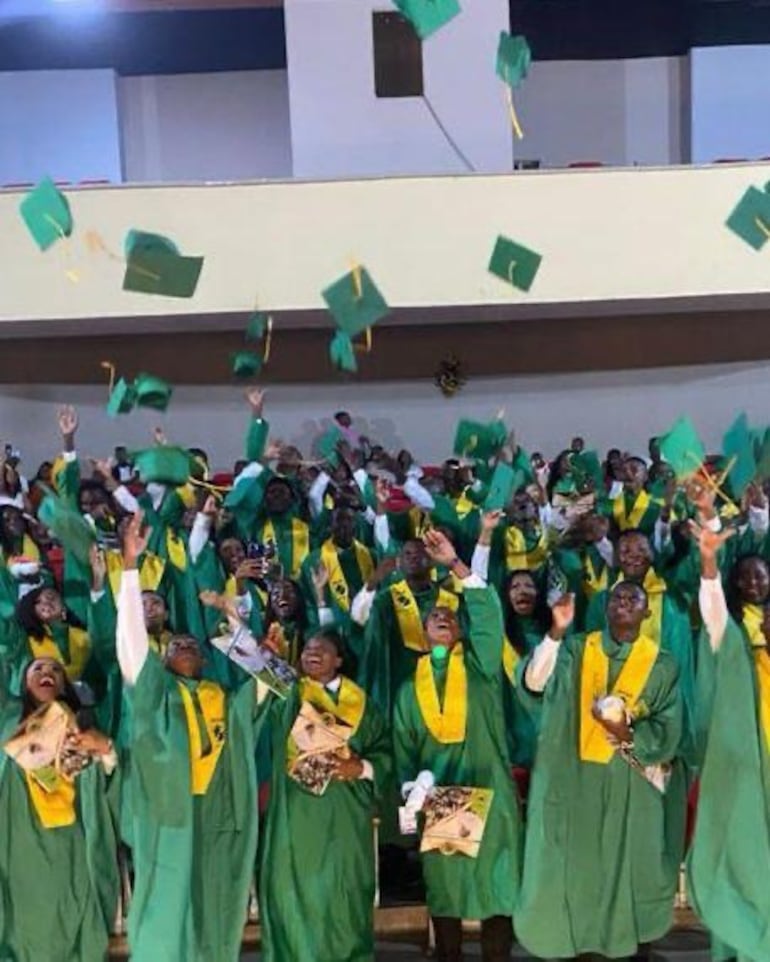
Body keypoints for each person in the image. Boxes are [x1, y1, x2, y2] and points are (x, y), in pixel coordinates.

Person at [116, 510, 267, 962]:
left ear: (205, 660)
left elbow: (267, 679)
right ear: (162, 660)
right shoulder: (154, 693)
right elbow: (131, 646)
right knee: (166, 909)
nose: (184, 646)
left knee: (214, 909)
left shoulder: (224, 697)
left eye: (193, 645)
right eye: (176, 645)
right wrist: (129, 567)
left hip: (220, 813)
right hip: (170, 812)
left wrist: (232, 617)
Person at [515, 581, 686, 959]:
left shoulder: (663, 665)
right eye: (617, 597)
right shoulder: (576, 648)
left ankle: (625, 945)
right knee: (572, 871)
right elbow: (535, 685)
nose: (624, 602)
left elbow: (670, 729)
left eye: (634, 598)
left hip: (630, 785)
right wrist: (556, 631)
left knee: (627, 870)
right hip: (571, 781)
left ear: (647, 612)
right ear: (606, 608)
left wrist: (629, 735)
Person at [393, 530, 520, 962]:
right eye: (434, 616)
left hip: (490, 790)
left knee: (497, 884)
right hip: (441, 796)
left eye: (450, 616)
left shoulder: (482, 666)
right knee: (446, 889)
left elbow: (489, 617)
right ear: (423, 630)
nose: (443, 618)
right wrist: (411, 792)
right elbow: (405, 748)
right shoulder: (410, 688)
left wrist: (455, 565)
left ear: (462, 629)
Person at [258, 628, 391, 962]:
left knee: (344, 892)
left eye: (322, 649)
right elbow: (256, 705)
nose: (312, 654)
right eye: (307, 650)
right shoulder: (290, 693)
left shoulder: (363, 704)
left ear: (340, 660)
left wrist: (361, 768)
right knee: (294, 892)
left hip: (345, 812)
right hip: (296, 813)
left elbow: (386, 752)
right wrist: (265, 659)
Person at [687, 524, 770, 962]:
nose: (753, 583)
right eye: (745, 577)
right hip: (748, 771)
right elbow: (713, 608)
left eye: (761, 575)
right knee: (744, 860)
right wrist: (708, 561)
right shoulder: (735, 642)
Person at [0, 656, 118, 962]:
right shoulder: (8, 722)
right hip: (18, 840)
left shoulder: (83, 727)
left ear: (65, 684)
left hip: (72, 845)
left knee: (73, 914)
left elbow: (109, 786)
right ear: (23, 682)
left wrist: (106, 749)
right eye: (37, 668)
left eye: (55, 669)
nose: (47, 672)